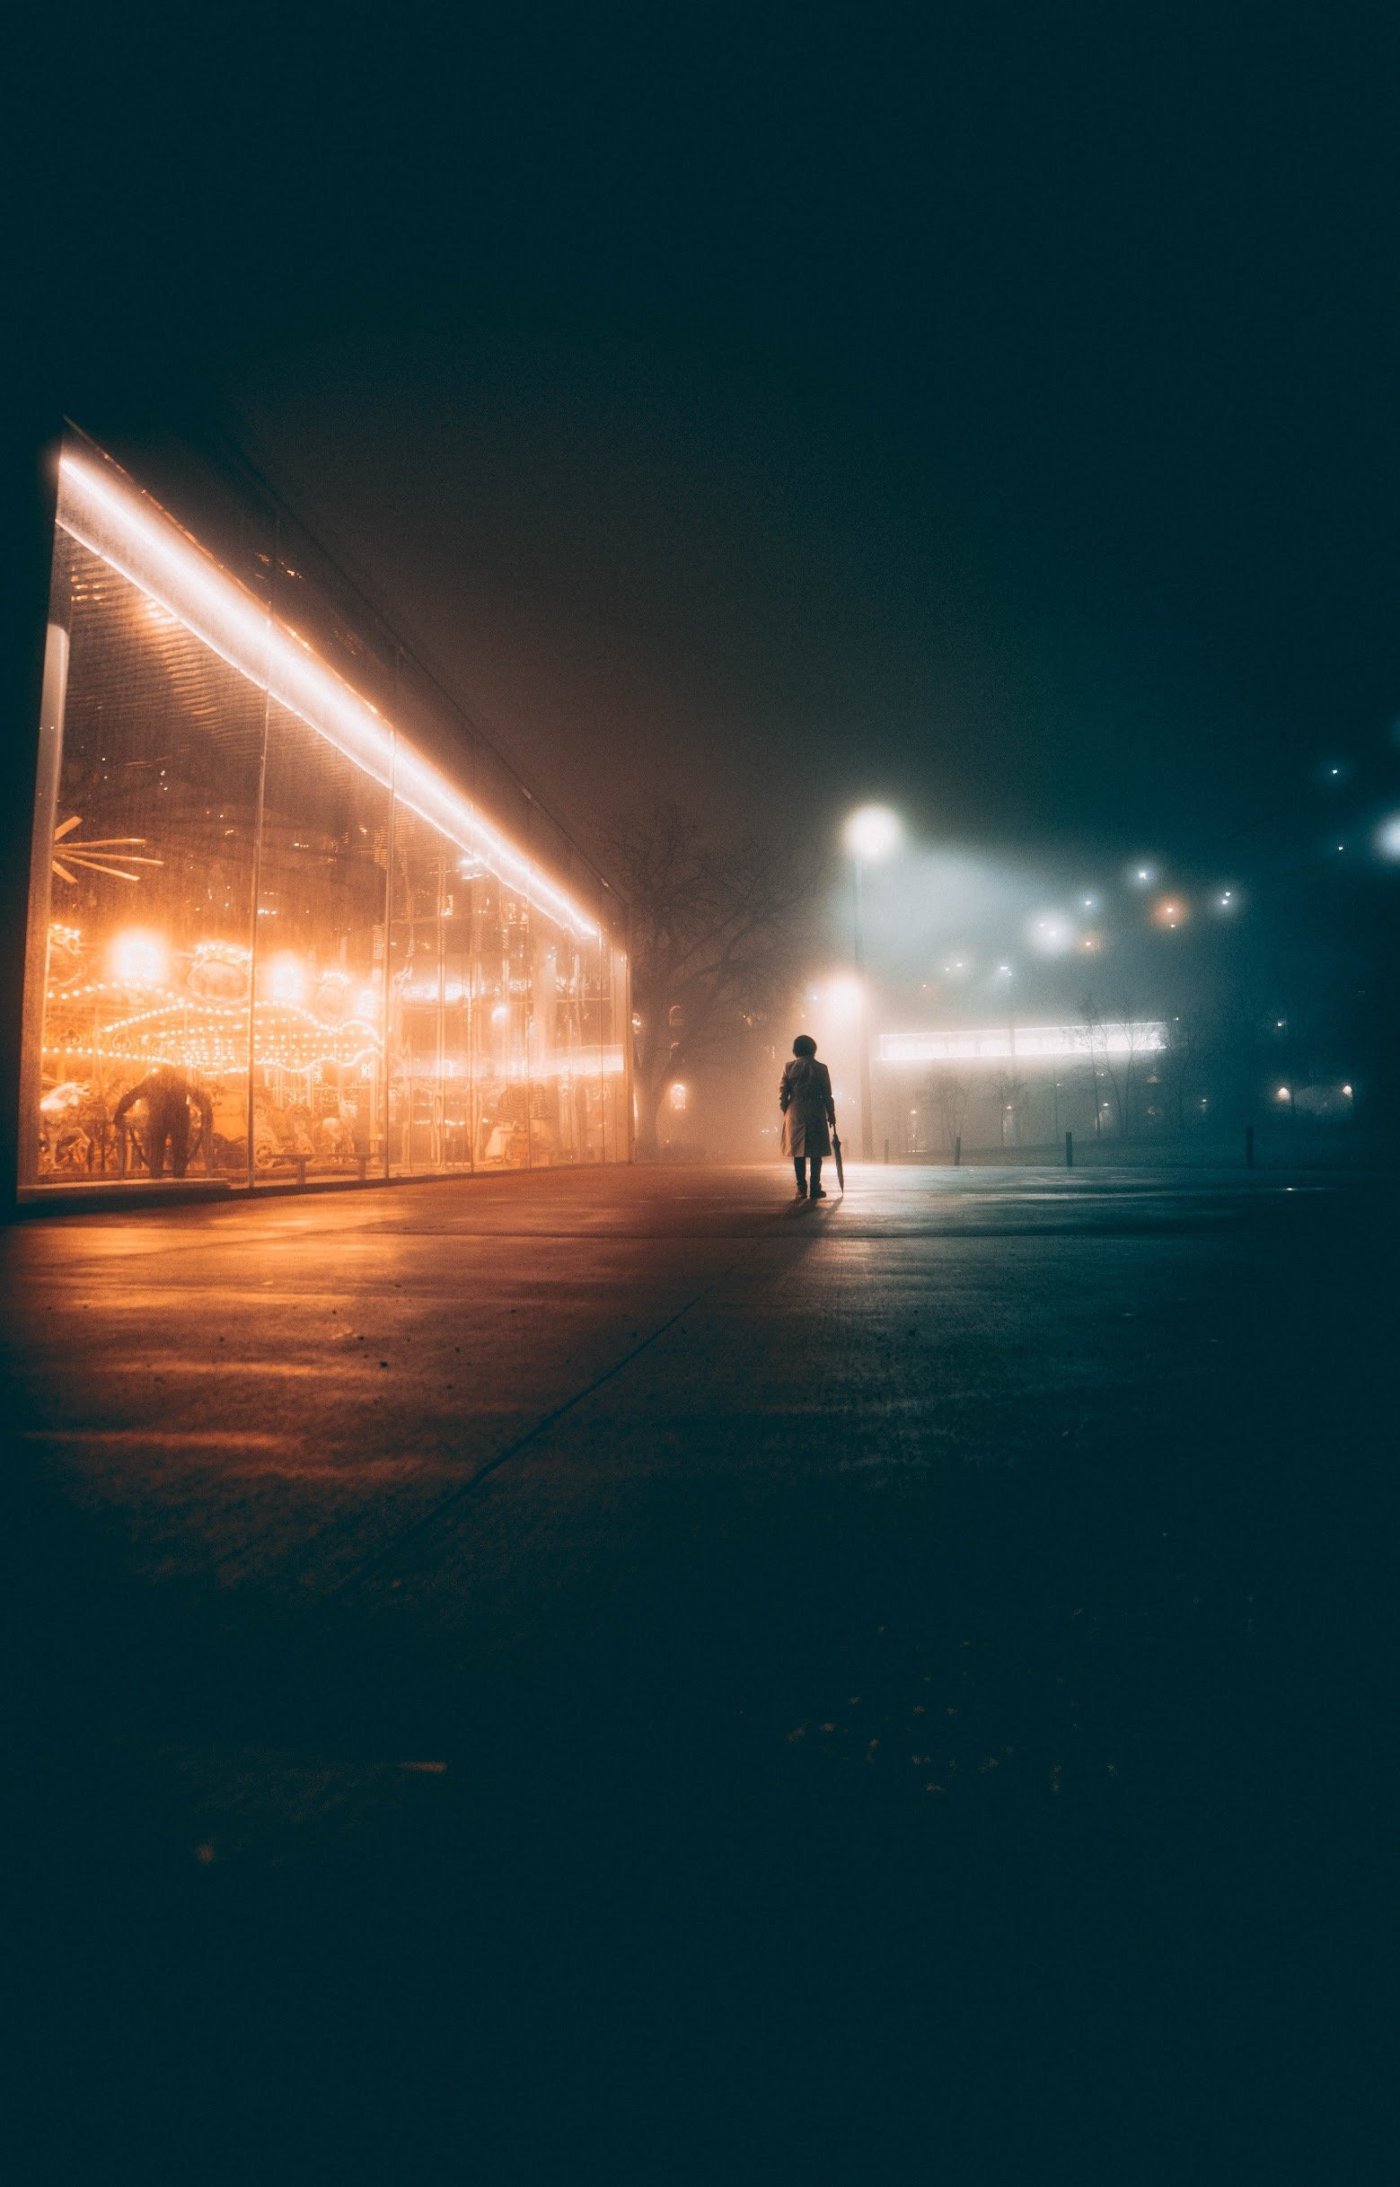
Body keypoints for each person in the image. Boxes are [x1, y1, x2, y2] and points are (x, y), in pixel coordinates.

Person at [779, 1034, 836, 1199]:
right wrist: (830, 1114)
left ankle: (801, 1188)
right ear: (813, 1049)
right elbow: (827, 1094)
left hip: (795, 1113)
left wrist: (786, 1110)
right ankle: (815, 1187)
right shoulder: (821, 1068)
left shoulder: (788, 1067)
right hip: (816, 1112)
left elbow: (782, 1094)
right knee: (816, 1153)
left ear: (795, 1050)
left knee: (798, 1153)